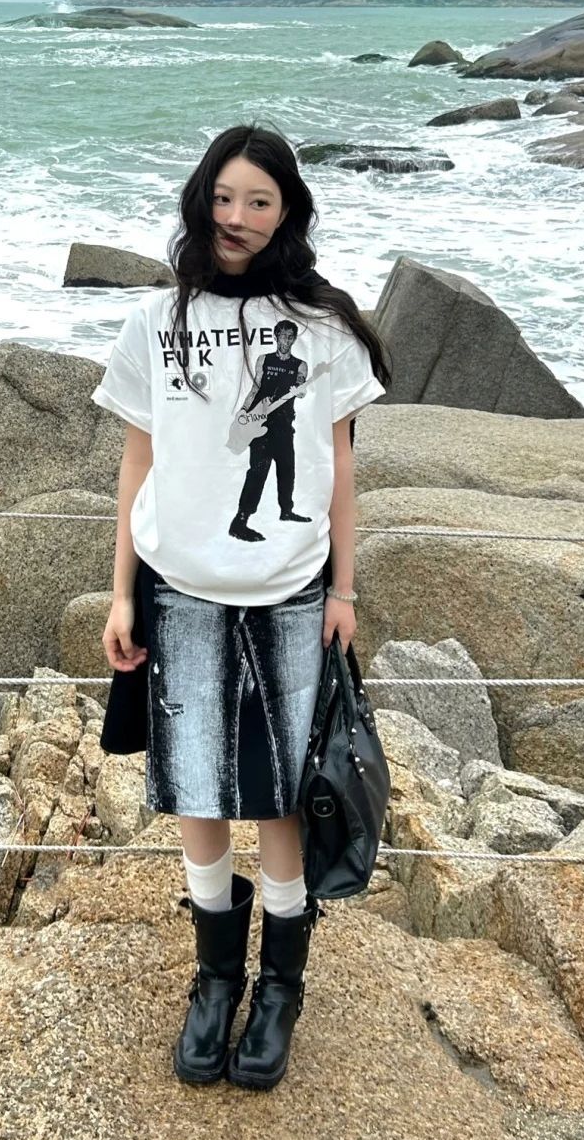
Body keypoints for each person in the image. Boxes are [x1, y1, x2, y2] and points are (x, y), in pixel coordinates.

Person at [91, 124, 391, 1090]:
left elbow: (341, 465)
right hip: (178, 590)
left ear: (287, 211)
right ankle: (216, 980)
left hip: (291, 594)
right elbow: (137, 462)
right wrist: (122, 591)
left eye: (259, 201)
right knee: (197, 790)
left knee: (280, 798)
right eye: (224, 197)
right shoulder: (156, 320)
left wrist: (344, 588)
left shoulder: (324, 325)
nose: (238, 217)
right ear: (200, 200)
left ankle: (280, 990)